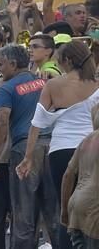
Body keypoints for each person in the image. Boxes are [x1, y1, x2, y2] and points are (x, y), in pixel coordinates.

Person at [16, 40, 99, 249]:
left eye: (60, 62)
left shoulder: (53, 85)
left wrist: (27, 157)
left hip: (61, 150)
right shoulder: (96, 84)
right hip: (92, 150)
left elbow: (36, 123)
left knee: (65, 207)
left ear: (68, 61)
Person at [0, 44, 60, 248]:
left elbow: (3, 119)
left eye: (1, 64)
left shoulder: (7, 88)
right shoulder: (44, 82)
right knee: (54, 213)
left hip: (24, 149)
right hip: (52, 146)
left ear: (13, 64)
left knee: (23, 214)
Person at [61, 104, 99, 248]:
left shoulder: (86, 141)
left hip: (76, 208)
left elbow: (67, 176)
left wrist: (64, 211)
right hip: (94, 210)